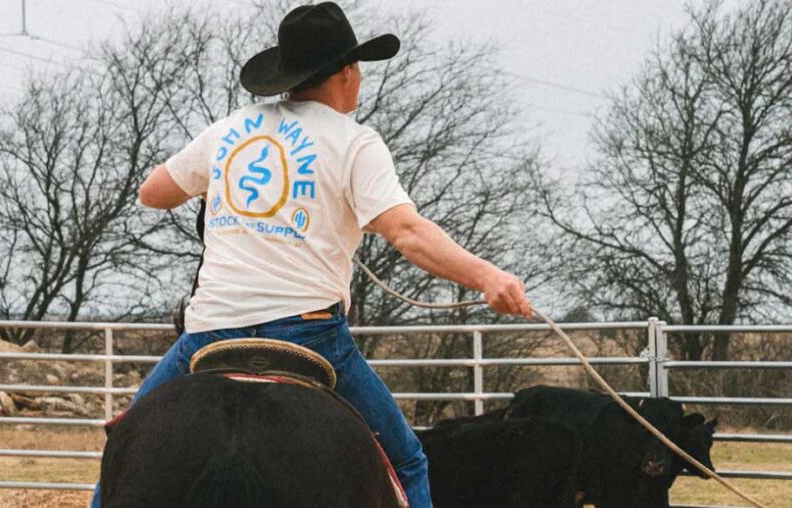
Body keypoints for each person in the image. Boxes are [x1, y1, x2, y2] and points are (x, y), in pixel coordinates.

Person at [92, 3, 532, 507]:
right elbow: (407, 232)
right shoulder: (354, 143)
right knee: (409, 459)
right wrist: (486, 277)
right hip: (310, 336)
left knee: (125, 446)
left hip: (209, 332)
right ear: (346, 73)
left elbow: (152, 192)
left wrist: (220, 189)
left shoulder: (232, 130)